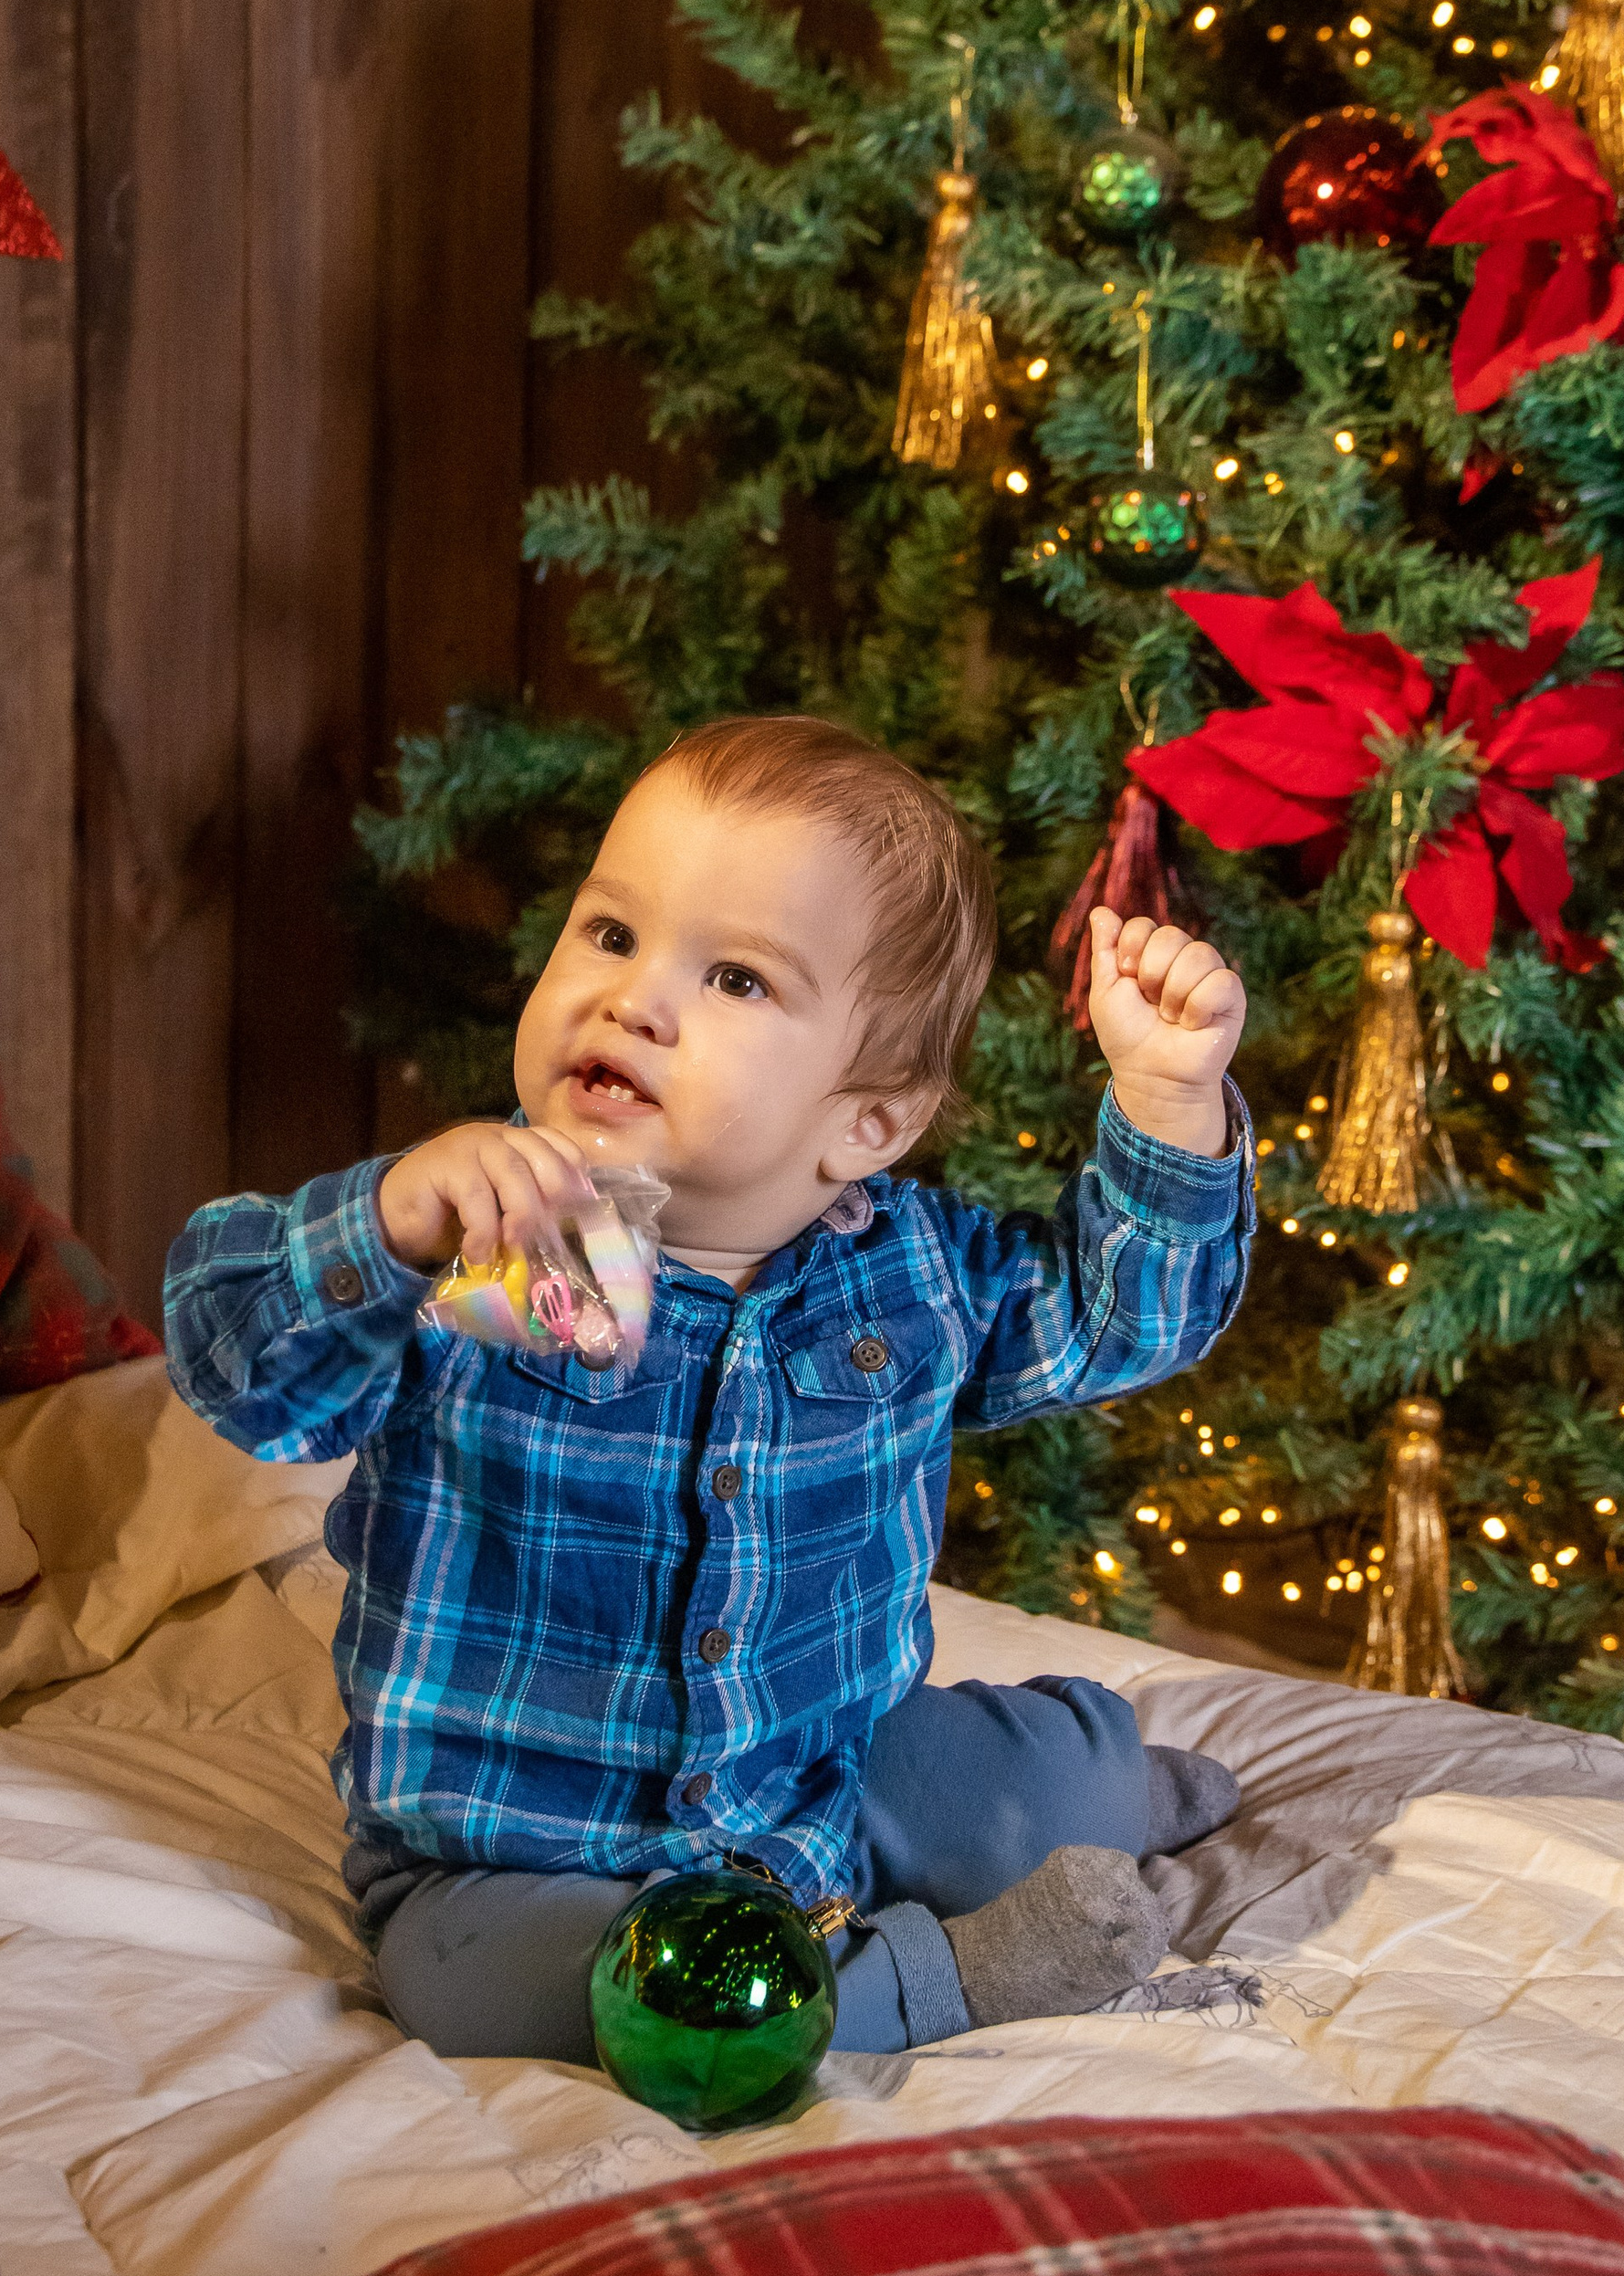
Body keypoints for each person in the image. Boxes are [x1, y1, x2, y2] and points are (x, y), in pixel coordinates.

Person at [166, 715, 1255, 2061]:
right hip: (516, 1854)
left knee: (1048, 1777)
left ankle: (1093, 1784)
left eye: (736, 979)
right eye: (611, 934)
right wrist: (376, 1232)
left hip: (826, 1780)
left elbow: (1119, 1322)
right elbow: (241, 1379)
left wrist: (1165, 1106)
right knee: (502, 1995)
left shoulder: (911, 1276)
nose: (636, 998)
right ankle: (925, 1985)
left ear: (869, 1119)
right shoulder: (470, 1235)